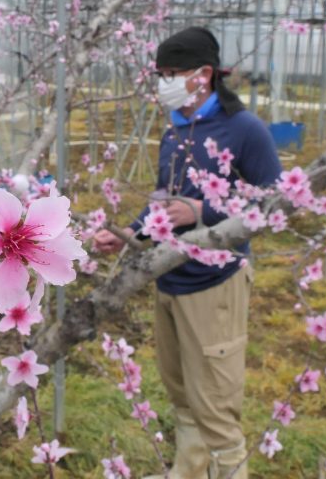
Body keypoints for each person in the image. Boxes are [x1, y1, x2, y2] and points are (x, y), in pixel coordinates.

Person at [94, 27, 282, 479]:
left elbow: (276, 206)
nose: (164, 82)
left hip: (214, 285)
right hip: (169, 278)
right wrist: (128, 234)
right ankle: (188, 471)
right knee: (182, 395)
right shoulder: (175, 130)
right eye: (160, 73)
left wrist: (205, 210)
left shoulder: (245, 131)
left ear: (203, 75)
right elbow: (164, 202)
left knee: (215, 403)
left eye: (171, 73)